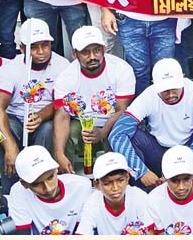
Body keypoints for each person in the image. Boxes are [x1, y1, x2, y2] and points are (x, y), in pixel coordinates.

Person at [108, 58, 193, 187]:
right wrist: (141, 171)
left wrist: (181, 167)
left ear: (182, 80)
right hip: (159, 152)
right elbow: (116, 135)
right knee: (132, 136)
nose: (171, 94)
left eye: (174, 88)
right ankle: (141, 190)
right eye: (165, 90)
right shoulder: (148, 95)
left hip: (190, 151)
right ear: (155, 85)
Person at [0, 19, 69, 194]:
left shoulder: (62, 65)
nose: (41, 52)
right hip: (14, 120)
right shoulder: (10, 68)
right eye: (33, 47)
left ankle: (42, 184)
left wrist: (41, 116)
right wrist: (10, 146)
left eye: (45, 45)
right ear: (22, 48)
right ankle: (12, 192)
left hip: (44, 120)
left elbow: (61, 102)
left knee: (48, 129)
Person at [52, 26, 135, 174]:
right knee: (66, 134)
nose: (92, 57)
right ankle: (68, 178)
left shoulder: (121, 69)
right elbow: (62, 116)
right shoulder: (66, 76)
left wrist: (102, 132)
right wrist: (59, 154)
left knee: (119, 131)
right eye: (85, 52)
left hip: (112, 121)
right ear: (75, 54)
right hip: (81, 123)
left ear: (104, 49)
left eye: (97, 50)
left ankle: (116, 178)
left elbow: (122, 110)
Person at [7, 145, 93, 235]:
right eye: (37, 184)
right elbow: (23, 235)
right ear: (24, 184)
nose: (48, 189)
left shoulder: (81, 186)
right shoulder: (18, 192)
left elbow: (85, 229)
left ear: (56, 170)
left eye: (50, 177)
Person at [145, 145, 193, 235]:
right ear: (164, 177)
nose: (181, 187)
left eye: (186, 179)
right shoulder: (154, 199)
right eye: (174, 181)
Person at [76, 152, 149, 235]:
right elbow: (82, 232)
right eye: (107, 183)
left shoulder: (139, 196)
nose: (115, 188)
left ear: (127, 177)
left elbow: (151, 232)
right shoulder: (92, 203)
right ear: (97, 185)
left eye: (120, 180)